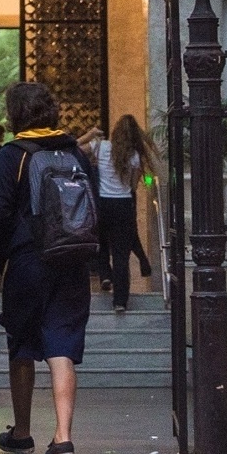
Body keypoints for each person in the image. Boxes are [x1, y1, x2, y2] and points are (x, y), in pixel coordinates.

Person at [0, 79, 91, 454]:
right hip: (71, 259)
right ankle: (63, 437)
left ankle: (22, 431)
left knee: (22, 343)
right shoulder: (75, 152)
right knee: (61, 343)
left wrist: (2, 257)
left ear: (15, 113)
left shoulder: (12, 155)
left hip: (28, 260)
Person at [98, 113, 157, 312]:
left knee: (100, 242)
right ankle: (120, 301)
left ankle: (105, 275)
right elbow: (132, 185)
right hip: (122, 204)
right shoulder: (134, 156)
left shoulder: (102, 147)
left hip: (102, 203)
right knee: (121, 255)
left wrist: (90, 136)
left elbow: (79, 151)